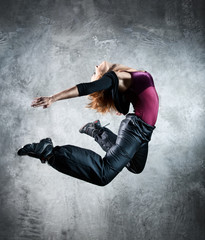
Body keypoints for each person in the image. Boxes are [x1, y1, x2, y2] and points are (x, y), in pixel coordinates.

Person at [17, 61, 159, 186]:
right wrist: (53, 98)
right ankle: (49, 152)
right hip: (136, 129)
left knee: (135, 166)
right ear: (103, 77)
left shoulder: (134, 75)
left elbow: (132, 103)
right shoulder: (117, 77)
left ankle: (97, 131)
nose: (96, 66)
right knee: (103, 174)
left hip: (144, 131)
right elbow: (86, 88)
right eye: (95, 72)